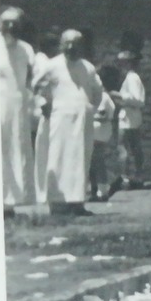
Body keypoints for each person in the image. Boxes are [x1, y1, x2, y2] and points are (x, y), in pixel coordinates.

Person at [32, 28, 104, 216]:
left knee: (80, 159)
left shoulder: (87, 67)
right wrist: (43, 104)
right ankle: (57, 203)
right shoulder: (52, 66)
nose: (71, 48)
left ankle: (77, 202)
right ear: (61, 44)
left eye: (76, 44)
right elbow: (35, 88)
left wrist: (88, 107)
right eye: (67, 43)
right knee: (59, 157)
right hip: (60, 119)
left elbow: (97, 92)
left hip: (82, 121)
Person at [0, 6, 36, 215]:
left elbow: (32, 78)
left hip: (18, 106)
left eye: (15, 23)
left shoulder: (26, 49)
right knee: (0, 150)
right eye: (6, 23)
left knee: (17, 149)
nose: (10, 27)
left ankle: (14, 200)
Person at [113, 50, 147, 190]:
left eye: (121, 62)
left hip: (129, 117)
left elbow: (138, 99)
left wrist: (119, 97)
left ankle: (126, 178)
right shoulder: (129, 77)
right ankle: (136, 176)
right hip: (130, 116)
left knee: (123, 147)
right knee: (134, 147)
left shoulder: (132, 78)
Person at [88, 64, 120, 201]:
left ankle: (105, 188)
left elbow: (104, 115)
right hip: (93, 132)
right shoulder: (96, 96)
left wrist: (89, 117)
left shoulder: (104, 97)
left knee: (97, 161)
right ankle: (95, 189)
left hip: (99, 133)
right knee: (92, 162)